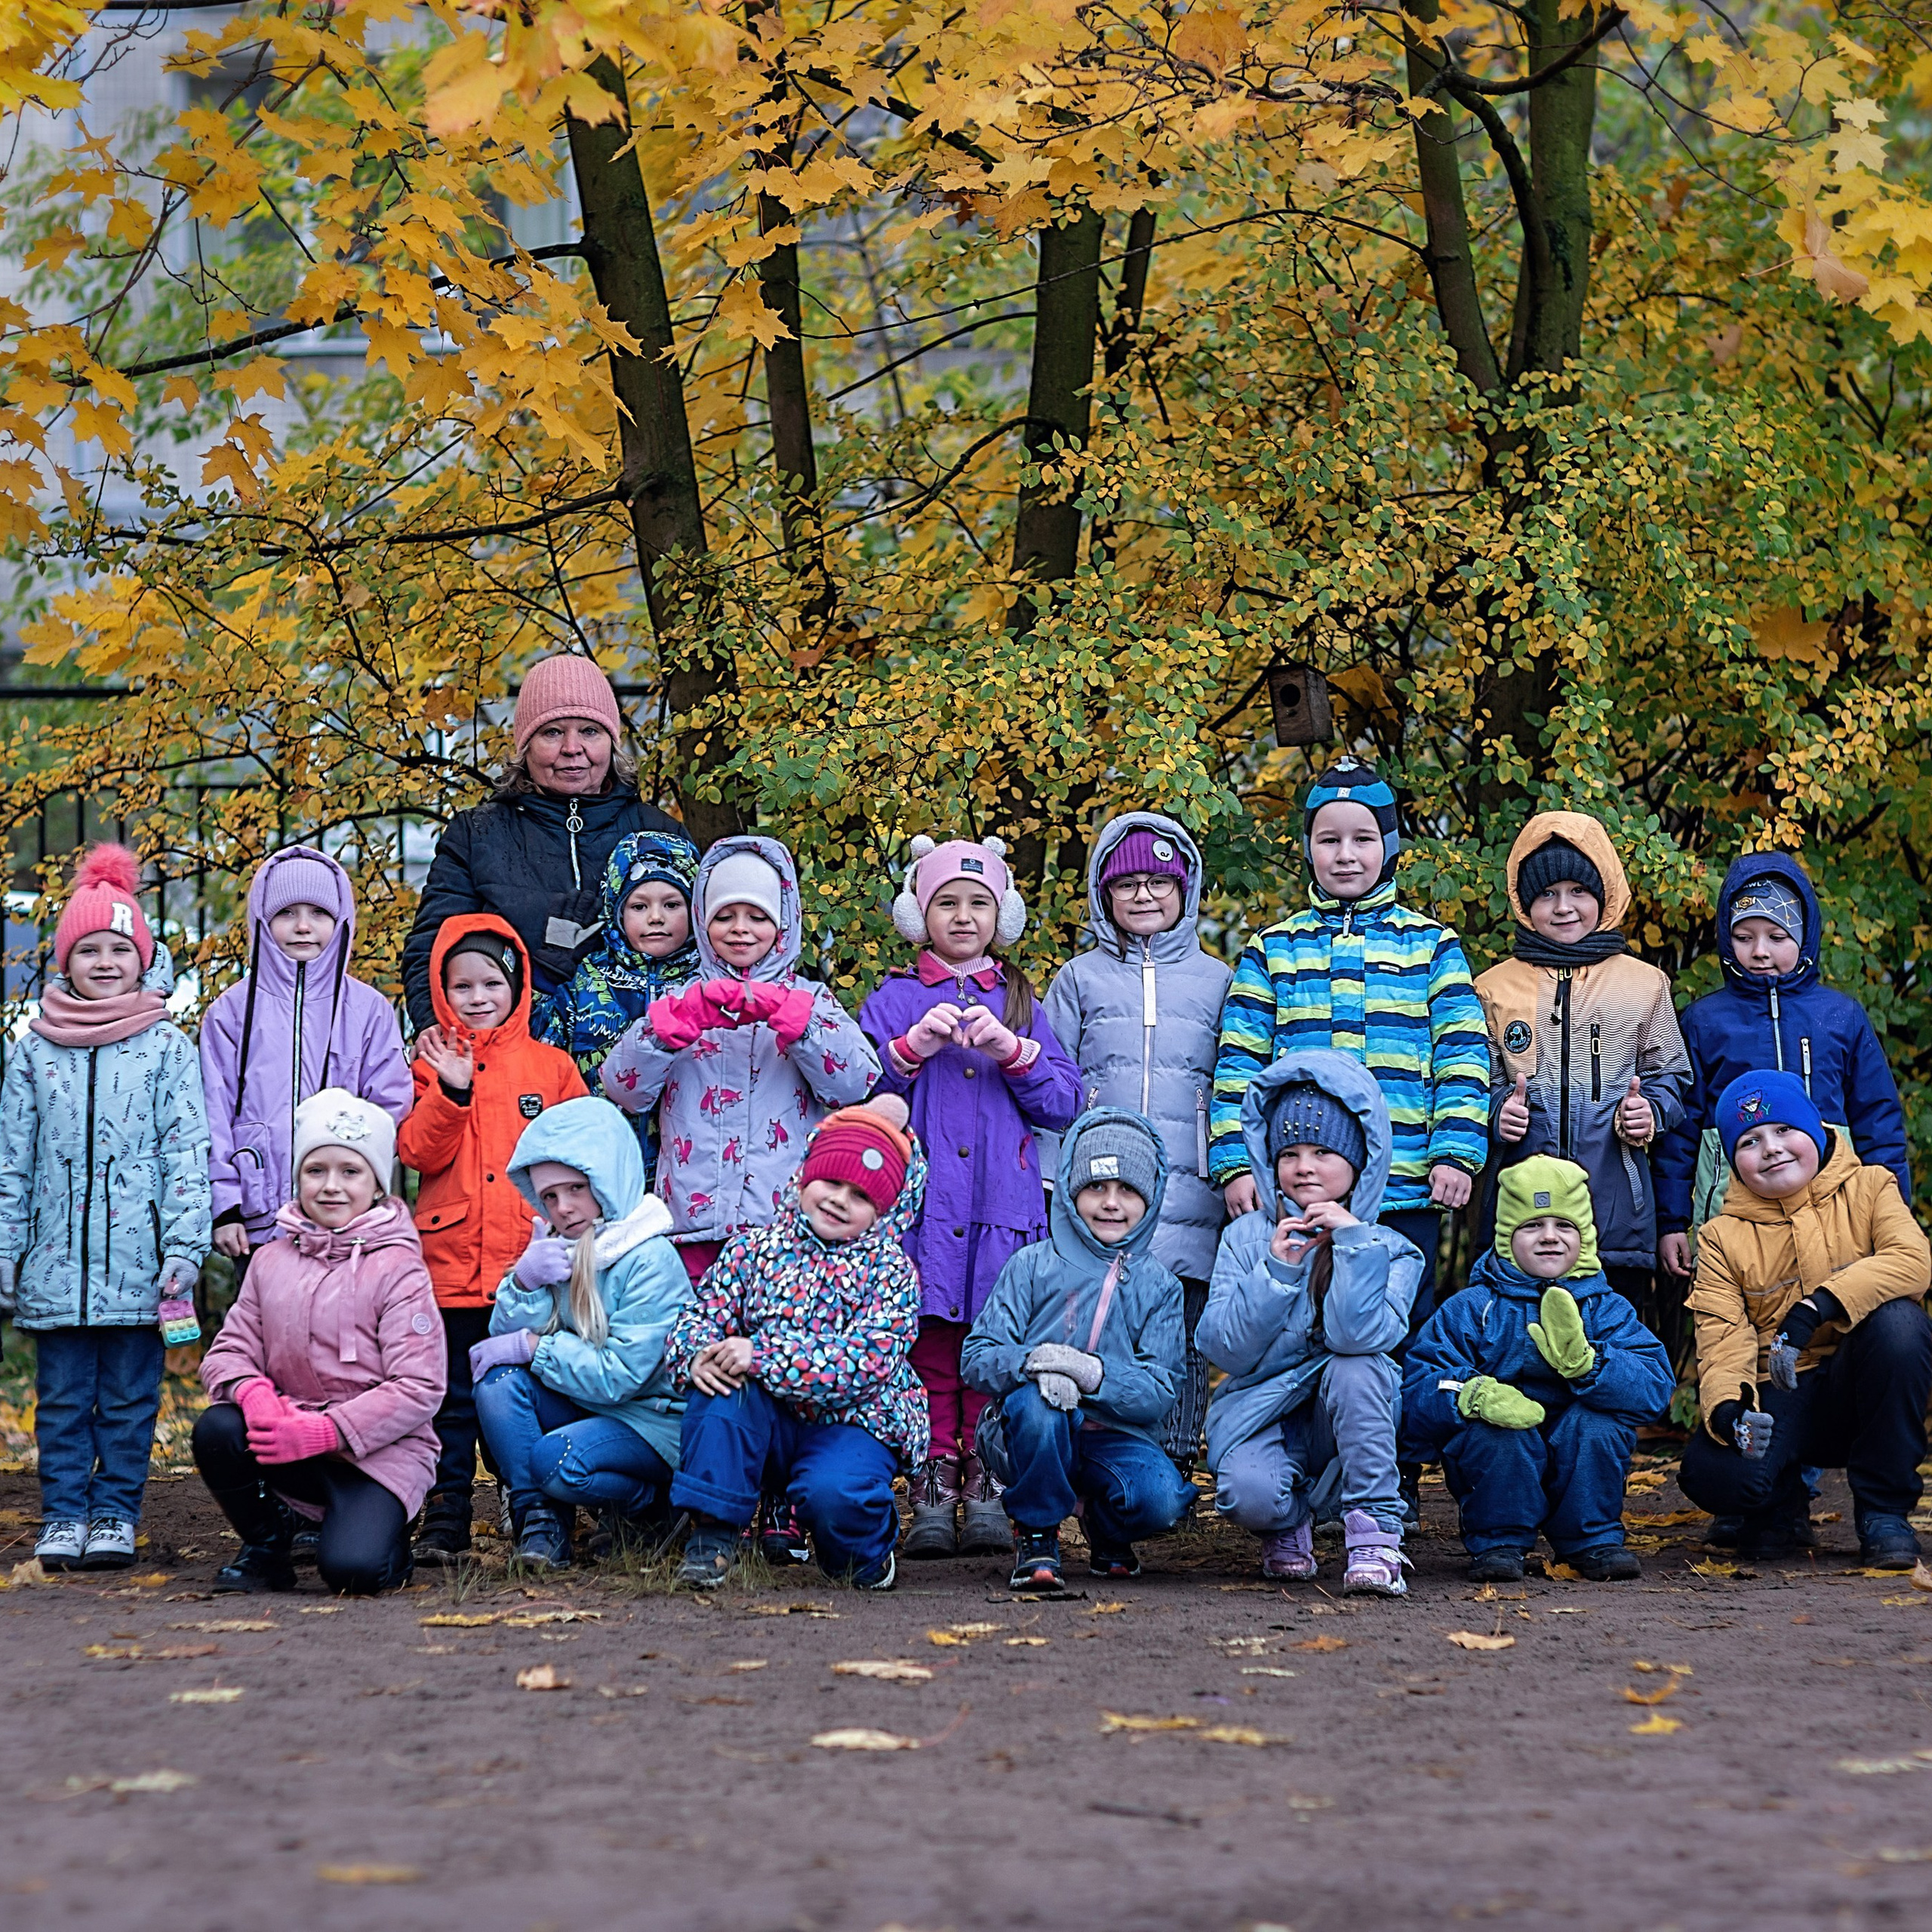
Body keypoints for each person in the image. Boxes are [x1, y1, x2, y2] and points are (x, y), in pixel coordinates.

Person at [860, 833, 1082, 1558]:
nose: (962, 917)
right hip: (920, 1211)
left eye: (978, 903)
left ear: (1002, 916)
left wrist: (1013, 1052)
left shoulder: (1020, 1000)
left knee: (990, 1350)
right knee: (928, 1348)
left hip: (1000, 1208)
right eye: (945, 903)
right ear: (917, 914)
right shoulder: (894, 1000)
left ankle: (988, 1483)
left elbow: (1064, 1102)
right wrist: (906, 1053)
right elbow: (853, 1095)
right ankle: (932, 1484)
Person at [1211, 758, 1489, 1327]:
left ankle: (1405, 1420)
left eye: (1362, 839)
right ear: (1308, 847)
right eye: (1328, 839)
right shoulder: (1273, 949)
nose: (1345, 855)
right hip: (1299, 1190)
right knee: (1301, 1323)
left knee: (1399, 1321)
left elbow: (1462, 1055)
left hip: (1404, 1182)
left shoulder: (1431, 945)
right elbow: (1240, 1066)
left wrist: (1455, 1152)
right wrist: (1237, 1163)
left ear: (1387, 846)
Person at [0, 846, 211, 1572]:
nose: (104, 961)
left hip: (139, 1267)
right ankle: (63, 1514)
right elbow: (11, 1161)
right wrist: (6, 1250)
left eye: (120, 948)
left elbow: (188, 1151)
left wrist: (184, 1245)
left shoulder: (166, 1049)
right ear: (64, 962)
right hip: (53, 1265)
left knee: (127, 1401)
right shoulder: (34, 1053)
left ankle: (115, 1512)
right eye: (87, 949)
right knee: (59, 1403)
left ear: (142, 959)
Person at [666, 1096, 928, 1591]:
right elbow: (700, 1318)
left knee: (835, 1494)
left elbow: (864, 1361)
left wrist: (760, 1355)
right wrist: (696, 1353)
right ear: (805, 1179)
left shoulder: (890, 1270)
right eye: (831, 1183)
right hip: (767, 1417)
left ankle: (862, 1552)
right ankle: (714, 1537)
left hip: (853, 1421)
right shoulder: (753, 1250)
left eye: (860, 1196)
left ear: (882, 1213)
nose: (838, 1200)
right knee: (722, 1387)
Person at [1041, 811, 1232, 1479]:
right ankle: (1103, 1464)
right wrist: (1048, 1179)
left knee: (1179, 1329)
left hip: (1192, 1192)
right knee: (1102, 1322)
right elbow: (1054, 1084)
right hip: (1099, 1191)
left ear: (1186, 890)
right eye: (1128, 886)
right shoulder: (1078, 980)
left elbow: (1234, 1083)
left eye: (1159, 882)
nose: (1145, 896)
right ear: (1103, 894)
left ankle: (1174, 1460)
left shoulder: (1217, 982)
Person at [1677, 1071, 1931, 1569]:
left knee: (1900, 1325)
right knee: (1713, 1474)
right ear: (1733, 1161)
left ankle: (1883, 1512)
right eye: (1750, 1141)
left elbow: (1913, 1262)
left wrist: (1816, 1308)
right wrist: (1729, 1415)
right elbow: (1722, 1342)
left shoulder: (1870, 1186)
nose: (1771, 1148)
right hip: (1782, 1391)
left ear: (1815, 1129)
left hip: (1861, 1385)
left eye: (1784, 1130)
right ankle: (1778, 1503)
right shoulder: (1721, 1237)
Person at [193, 1091, 444, 1595]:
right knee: (218, 1428)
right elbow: (229, 1351)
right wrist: (252, 1393)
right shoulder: (270, 1261)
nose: (331, 1187)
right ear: (299, 1179)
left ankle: (386, 1531)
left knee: (354, 1573)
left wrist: (327, 1432)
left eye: (350, 1172)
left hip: (377, 1457)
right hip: (288, 1442)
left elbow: (420, 1386)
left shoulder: (398, 1267)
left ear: (376, 1185)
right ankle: (267, 1548)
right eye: (316, 1171)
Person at [601, 835, 879, 1281]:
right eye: (724, 916)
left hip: (783, 1230)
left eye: (757, 916)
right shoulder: (679, 998)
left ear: (783, 924)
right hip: (689, 1230)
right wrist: (669, 1029)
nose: (740, 928)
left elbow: (856, 1084)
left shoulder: (811, 1000)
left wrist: (793, 1020)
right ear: (703, 922)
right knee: (694, 1343)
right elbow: (623, 1089)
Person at [395, 916, 586, 1565]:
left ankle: (531, 1502)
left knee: (520, 1392)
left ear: (517, 985)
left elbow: (577, 1158)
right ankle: (446, 1514)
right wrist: (450, 1089)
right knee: (449, 1401)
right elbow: (418, 1151)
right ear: (441, 991)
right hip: (449, 1269)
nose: (477, 998)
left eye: (491, 984)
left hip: (525, 1269)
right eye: (461, 986)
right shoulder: (431, 1064)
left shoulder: (551, 1066)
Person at [1198, 1052, 1423, 1595]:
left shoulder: (1393, 1251)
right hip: (1263, 1411)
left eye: (1324, 1152)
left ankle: (1374, 1534)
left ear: (1360, 1162)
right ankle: (1287, 1520)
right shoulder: (1247, 1237)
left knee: (1358, 1367)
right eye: (1290, 1153)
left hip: (1346, 1417)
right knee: (1247, 1492)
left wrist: (1352, 1245)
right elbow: (1223, 1350)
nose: (1305, 1167)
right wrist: (1275, 1273)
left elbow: (1357, 1336)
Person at [1401, 1156, 1675, 1582]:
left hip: (1578, 1439)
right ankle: (1500, 1542)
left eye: (1564, 1226)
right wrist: (1470, 1394)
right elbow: (1420, 1386)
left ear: (1584, 1237)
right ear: (1505, 1236)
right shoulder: (1472, 1308)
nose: (1549, 1237)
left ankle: (1593, 1539)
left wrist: (1591, 1364)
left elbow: (1654, 1386)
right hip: (1503, 1454)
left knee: (1598, 1426)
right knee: (1497, 1434)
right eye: (1531, 1226)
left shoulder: (1605, 1308)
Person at [1475, 811, 1690, 1333]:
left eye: (1578, 890)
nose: (1564, 907)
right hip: (1520, 1214)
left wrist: (1651, 1112)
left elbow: (1672, 1076)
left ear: (1605, 894)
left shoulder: (1644, 985)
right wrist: (1496, 1111)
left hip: (1616, 1215)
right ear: (1525, 904)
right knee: (1517, 1348)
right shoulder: (1492, 988)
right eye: (1547, 894)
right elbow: (1470, 1083)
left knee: (1609, 1351)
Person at [961, 1109, 1191, 1590]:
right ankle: (1039, 1531)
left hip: (1116, 1436)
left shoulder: (1161, 1286)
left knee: (1162, 1501)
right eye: (1096, 1189)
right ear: (1069, 1192)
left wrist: (1092, 1374)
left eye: (1128, 1190)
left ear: (1150, 1200)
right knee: (1041, 1407)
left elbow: (1161, 1390)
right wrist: (1033, 1361)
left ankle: (1105, 1529)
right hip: (1028, 1431)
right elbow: (977, 1357)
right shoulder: (1030, 1265)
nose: (1111, 1204)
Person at [1655, 853, 1909, 1280]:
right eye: (1744, 936)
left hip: (1839, 1213)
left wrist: (1892, 1211)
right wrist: (1671, 1222)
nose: (1759, 951)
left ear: (1805, 937)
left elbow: (1878, 1121)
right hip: (1732, 1217)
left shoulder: (1840, 1016)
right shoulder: (1704, 1021)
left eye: (1777, 936)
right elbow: (1679, 1132)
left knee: (1841, 1321)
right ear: (1725, 937)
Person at [400, 653, 687, 1031]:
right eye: (552, 732)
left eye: (590, 731)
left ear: (612, 743)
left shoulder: (659, 834)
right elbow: (431, 952)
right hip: (514, 1062)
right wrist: (444, 1039)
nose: (572, 748)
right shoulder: (478, 835)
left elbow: (701, 949)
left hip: (645, 1061)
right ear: (526, 745)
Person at [472, 1096, 694, 1569]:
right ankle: (541, 1522)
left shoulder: (647, 1258)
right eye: (549, 1196)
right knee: (498, 1383)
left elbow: (621, 1376)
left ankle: (648, 1507)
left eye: (575, 1188)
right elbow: (502, 1348)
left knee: (556, 1461)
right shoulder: (556, 1250)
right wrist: (525, 1284)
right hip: (586, 1403)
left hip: (652, 1421)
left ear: (606, 1179)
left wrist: (535, 1346)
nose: (564, 1208)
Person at [199, 846, 412, 1275]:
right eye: (287, 913)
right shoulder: (231, 1012)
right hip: (258, 1226)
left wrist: (358, 1179)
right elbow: (210, 1114)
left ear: (340, 922)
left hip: (347, 1224)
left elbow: (390, 1105)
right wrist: (225, 1207)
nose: (302, 926)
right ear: (263, 921)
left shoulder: (367, 1009)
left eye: (318, 912)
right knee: (268, 1338)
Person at [532, 829, 702, 1127]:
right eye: (639, 906)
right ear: (618, 912)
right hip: (599, 1150)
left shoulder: (707, 985)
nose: (656, 917)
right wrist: (547, 979)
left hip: (683, 1162)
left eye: (672, 904)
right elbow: (536, 1056)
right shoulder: (586, 980)